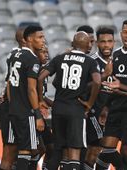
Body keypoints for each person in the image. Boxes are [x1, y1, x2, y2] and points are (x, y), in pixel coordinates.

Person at [38, 31, 101, 170]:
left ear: (73, 44)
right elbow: (97, 81)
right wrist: (89, 104)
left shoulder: (60, 58)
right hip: (75, 109)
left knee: (58, 151)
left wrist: (40, 99)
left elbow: (41, 77)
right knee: (74, 152)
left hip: (59, 108)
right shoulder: (90, 61)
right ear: (87, 45)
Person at [95, 19, 127, 170]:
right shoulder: (117, 55)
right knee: (106, 148)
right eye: (125, 32)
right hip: (115, 109)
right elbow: (113, 83)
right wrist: (106, 107)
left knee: (126, 152)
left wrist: (121, 87)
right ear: (121, 34)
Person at [7, 25, 46, 170]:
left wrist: (12, 105)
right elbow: (31, 89)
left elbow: (9, 85)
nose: (43, 40)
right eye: (40, 37)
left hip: (13, 110)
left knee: (22, 149)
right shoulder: (32, 59)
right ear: (29, 39)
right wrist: (37, 115)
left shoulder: (13, 56)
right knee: (26, 150)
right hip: (26, 112)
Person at [83, 27, 115, 170]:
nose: (106, 45)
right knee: (93, 151)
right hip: (94, 113)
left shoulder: (118, 61)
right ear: (97, 43)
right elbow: (82, 88)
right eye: (103, 42)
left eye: (109, 41)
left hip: (112, 114)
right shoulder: (91, 62)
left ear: (114, 42)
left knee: (104, 151)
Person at [0, 27, 25, 170]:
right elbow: (11, 81)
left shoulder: (21, 55)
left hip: (20, 107)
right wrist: (6, 95)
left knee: (34, 148)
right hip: (12, 106)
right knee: (9, 151)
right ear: (25, 40)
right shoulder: (17, 55)